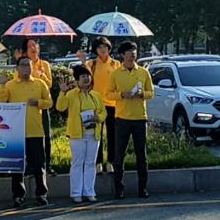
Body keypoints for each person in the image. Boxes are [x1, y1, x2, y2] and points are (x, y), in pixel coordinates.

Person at [0, 56, 53, 208]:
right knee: (17, 167)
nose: (26, 68)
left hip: (36, 131)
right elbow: (0, 103)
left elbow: (50, 102)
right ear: (17, 68)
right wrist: (1, 85)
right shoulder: (10, 85)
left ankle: (41, 194)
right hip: (17, 132)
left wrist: (39, 103)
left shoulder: (40, 83)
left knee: (39, 165)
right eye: (23, 65)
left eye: (28, 65)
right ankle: (18, 196)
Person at [107, 41, 154, 199]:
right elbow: (108, 94)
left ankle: (143, 188)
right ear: (122, 55)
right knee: (119, 156)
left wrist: (142, 95)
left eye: (134, 51)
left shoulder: (143, 72)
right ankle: (119, 189)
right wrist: (122, 95)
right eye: (129, 51)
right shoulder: (115, 73)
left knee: (142, 156)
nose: (133, 53)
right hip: (122, 119)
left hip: (140, 118)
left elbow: (151, 92)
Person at [57, 65, 107, 203]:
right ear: (77, 80)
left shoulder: (96, 95)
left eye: (88, 76)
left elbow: (103, 112)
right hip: (77, 135)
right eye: (83, 76)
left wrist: (99, 118)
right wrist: (63, 92)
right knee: (77, 163)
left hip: (93, 134)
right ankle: (76, 193)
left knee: (91, 163)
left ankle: (89, 191)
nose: (86, 79)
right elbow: (60, 107)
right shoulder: (72, 94)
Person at [80, 36, 121, 174]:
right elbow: (84, 80)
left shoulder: (116, 64)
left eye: (105, 47)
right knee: (96, 134)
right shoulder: (92, 64)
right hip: (95, 104)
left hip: (113, 104)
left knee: (112, 135)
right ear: (95, 50)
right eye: (99, 47)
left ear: (109, 48)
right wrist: (83, 62)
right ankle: (98, 162)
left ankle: (110, 162)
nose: (102, 50)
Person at [17, 39, 55, 175]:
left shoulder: (44, 64)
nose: (33, 48)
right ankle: (29, 166)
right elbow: (18, 81)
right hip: (26, 108)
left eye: (35, 45)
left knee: (45, 135)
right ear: (25, 50)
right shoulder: (22, 64)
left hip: (41, 106)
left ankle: (47, 164)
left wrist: (42, 75)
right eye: (29, 46)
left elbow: (49, 84)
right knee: (26, 137)